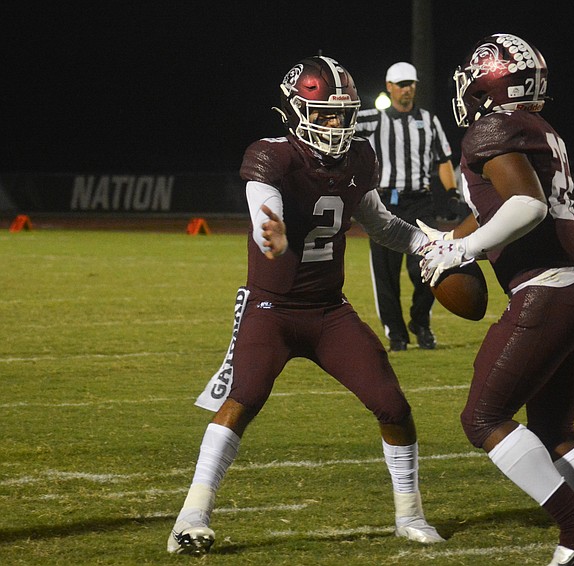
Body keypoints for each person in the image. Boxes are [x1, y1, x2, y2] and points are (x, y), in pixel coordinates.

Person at [167, 55, 444, 555]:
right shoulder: (272, 155)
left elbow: (379, 223)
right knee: (243, 400)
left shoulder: (359, 157)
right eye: (327, 113)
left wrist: (427, 243)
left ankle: (410, 515)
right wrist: (269, 230)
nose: (338, 124)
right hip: (272, 309)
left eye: (344, 113)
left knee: (393, 405)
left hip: (328, 310)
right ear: (296, 110)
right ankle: (191, 515)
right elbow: (262, 208)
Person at [419, 34, 574, 566]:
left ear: (488, 85)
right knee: (553, 430)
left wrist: (464, 252)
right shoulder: (538, 129)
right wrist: (453, 241)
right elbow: (510, 205)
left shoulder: (491, 129)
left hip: (546, 291)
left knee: (482, 418)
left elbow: (527, 205)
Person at [355, 61, 460, 351]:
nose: (407, 88)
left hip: (420, 202)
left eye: (411, 83)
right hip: (386, 203)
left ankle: (420, 322)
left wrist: (452, 191)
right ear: (389, 87)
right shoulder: (373, 119)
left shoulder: (428, 120)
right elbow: (341, 122)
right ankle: (396, 334)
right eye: (401, 84)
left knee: (429, 266)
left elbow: (443, 160)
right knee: (386, 275)